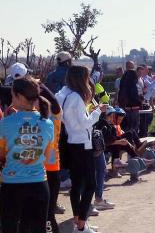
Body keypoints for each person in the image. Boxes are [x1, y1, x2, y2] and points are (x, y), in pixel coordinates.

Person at [55, 66, 108, 233]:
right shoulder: (76, 97)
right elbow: (85, 123)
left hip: (71, 142)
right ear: (81, 79)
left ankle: (79, 221)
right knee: (90, 185)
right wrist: (99, 110)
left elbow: (73, 119)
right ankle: (81, 225)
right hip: (82, 144)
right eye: (87, 78)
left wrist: (89, 112)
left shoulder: (62, 94)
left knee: (77, 185)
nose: (88, 81)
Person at [0, 77, 54, 233]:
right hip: (39, 185)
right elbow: (47, 155)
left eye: (12, 94)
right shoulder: (48, 123)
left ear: (19, 96)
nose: (10, 98)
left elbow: (1, 154)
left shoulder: (5, 123)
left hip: (11, 185)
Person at [118, 61, 142, 132]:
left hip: (125, 107)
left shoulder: (123, 79)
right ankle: (134, 141)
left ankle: (127, 141)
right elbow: (134, 96)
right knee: (134, 127)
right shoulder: (132, 83)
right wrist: (140, 101)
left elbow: (120, 93)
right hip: (134, 107)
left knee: (127, 127)